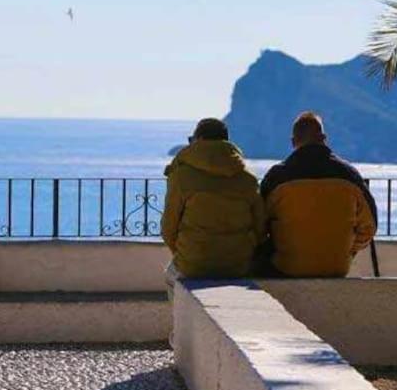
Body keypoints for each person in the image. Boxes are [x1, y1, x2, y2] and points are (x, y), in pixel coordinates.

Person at [258, 112, 377, 277]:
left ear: (293, 142)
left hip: (288, 267)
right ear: (324, 138)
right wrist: (347, 250)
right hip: (337, 267)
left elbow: (258, 224)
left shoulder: (277, 176)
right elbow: (370, 227)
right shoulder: (349, 175)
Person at [161, 118, 265, 300]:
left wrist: (187, 254)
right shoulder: (248, 179)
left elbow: (168, 227)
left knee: (170, 277)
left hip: (194, 263)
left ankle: (180, 328)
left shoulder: (181, 176)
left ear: (198, 140)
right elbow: (260, 226)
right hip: (237, 264)